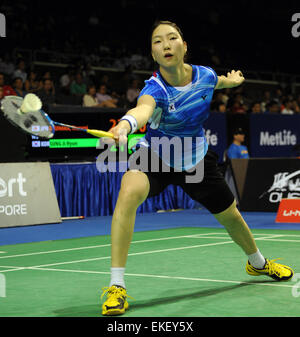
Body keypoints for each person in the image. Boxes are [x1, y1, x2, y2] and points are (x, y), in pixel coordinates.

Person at [100, 20, 294, 316]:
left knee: (231, 217)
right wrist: (126, 124)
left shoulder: (204, 75)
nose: (165, 44)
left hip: (196, 160)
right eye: (157, 41)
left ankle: (257, 263)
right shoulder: (155, 88)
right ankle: (117, 286)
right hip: (158, 156)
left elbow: (218, 82)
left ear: (184, 46)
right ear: (153, 54)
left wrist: (234, 81)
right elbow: (143, 108)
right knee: (128, 191)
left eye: (172, 38)